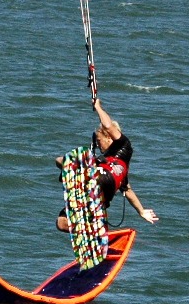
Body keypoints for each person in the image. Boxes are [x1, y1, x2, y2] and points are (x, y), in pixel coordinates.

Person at [56, 97, 159, 232]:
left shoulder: (123, 145)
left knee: (60, 160)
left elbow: (108, 126)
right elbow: (128, 191)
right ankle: (88, 227)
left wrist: (98, 107)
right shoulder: (121, 172)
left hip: (99, 178)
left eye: (99, 141)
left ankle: (92, 224)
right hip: (100, 191)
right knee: (61, 223)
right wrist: (141, 211)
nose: (98, 144)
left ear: (109, 137)